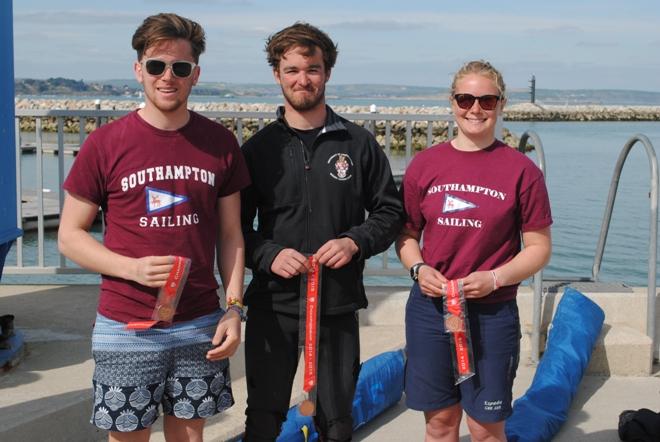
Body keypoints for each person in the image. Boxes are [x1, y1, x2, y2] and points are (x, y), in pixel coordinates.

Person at [58, 13, 250, 441]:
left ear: (195, 74)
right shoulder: (104, 143)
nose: (168, 77)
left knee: (190, 436)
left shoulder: (220, 143)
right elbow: (70, 236)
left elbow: (231, 234)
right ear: (138, 70)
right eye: (156, 66)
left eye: (180, 68)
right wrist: (131, 269)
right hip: (127, 325)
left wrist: (234, 308)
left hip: (200, 321)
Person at [240, 22, 404, 442]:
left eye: (312, 69)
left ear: (327, 72)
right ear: (277, 74)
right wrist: (269, 253)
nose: (302, 79)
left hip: (336, 301)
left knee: (337, 420)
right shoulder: (258, 150)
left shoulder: (358, 143)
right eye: (291, 69)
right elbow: (235, 229)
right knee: (263, 417)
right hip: (273, 302)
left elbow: (389, 212)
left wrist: (354, 241)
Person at [396, 60, 552, 442]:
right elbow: (406, 235)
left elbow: (539, 247)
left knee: (485, 428)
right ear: (452, 102)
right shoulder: (425, 164)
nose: (475, 109)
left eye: (486, 99)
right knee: (440, 424)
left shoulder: (521, 170)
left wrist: (496, 278)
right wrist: (418, 269)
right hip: (431, 310)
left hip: (491, 312)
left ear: (500, 105)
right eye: (466, 98)